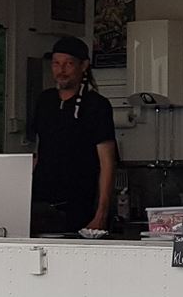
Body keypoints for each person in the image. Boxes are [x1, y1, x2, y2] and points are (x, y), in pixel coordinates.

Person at [26, 36, 117, 235]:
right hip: (40, 202)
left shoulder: (96, 105)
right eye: (56, 63)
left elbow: (107, 162)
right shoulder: (45, 100)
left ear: (83, 65)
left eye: (68, 64)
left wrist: (101, 212)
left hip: (79, 206)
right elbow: (38, 151)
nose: (61, 70)